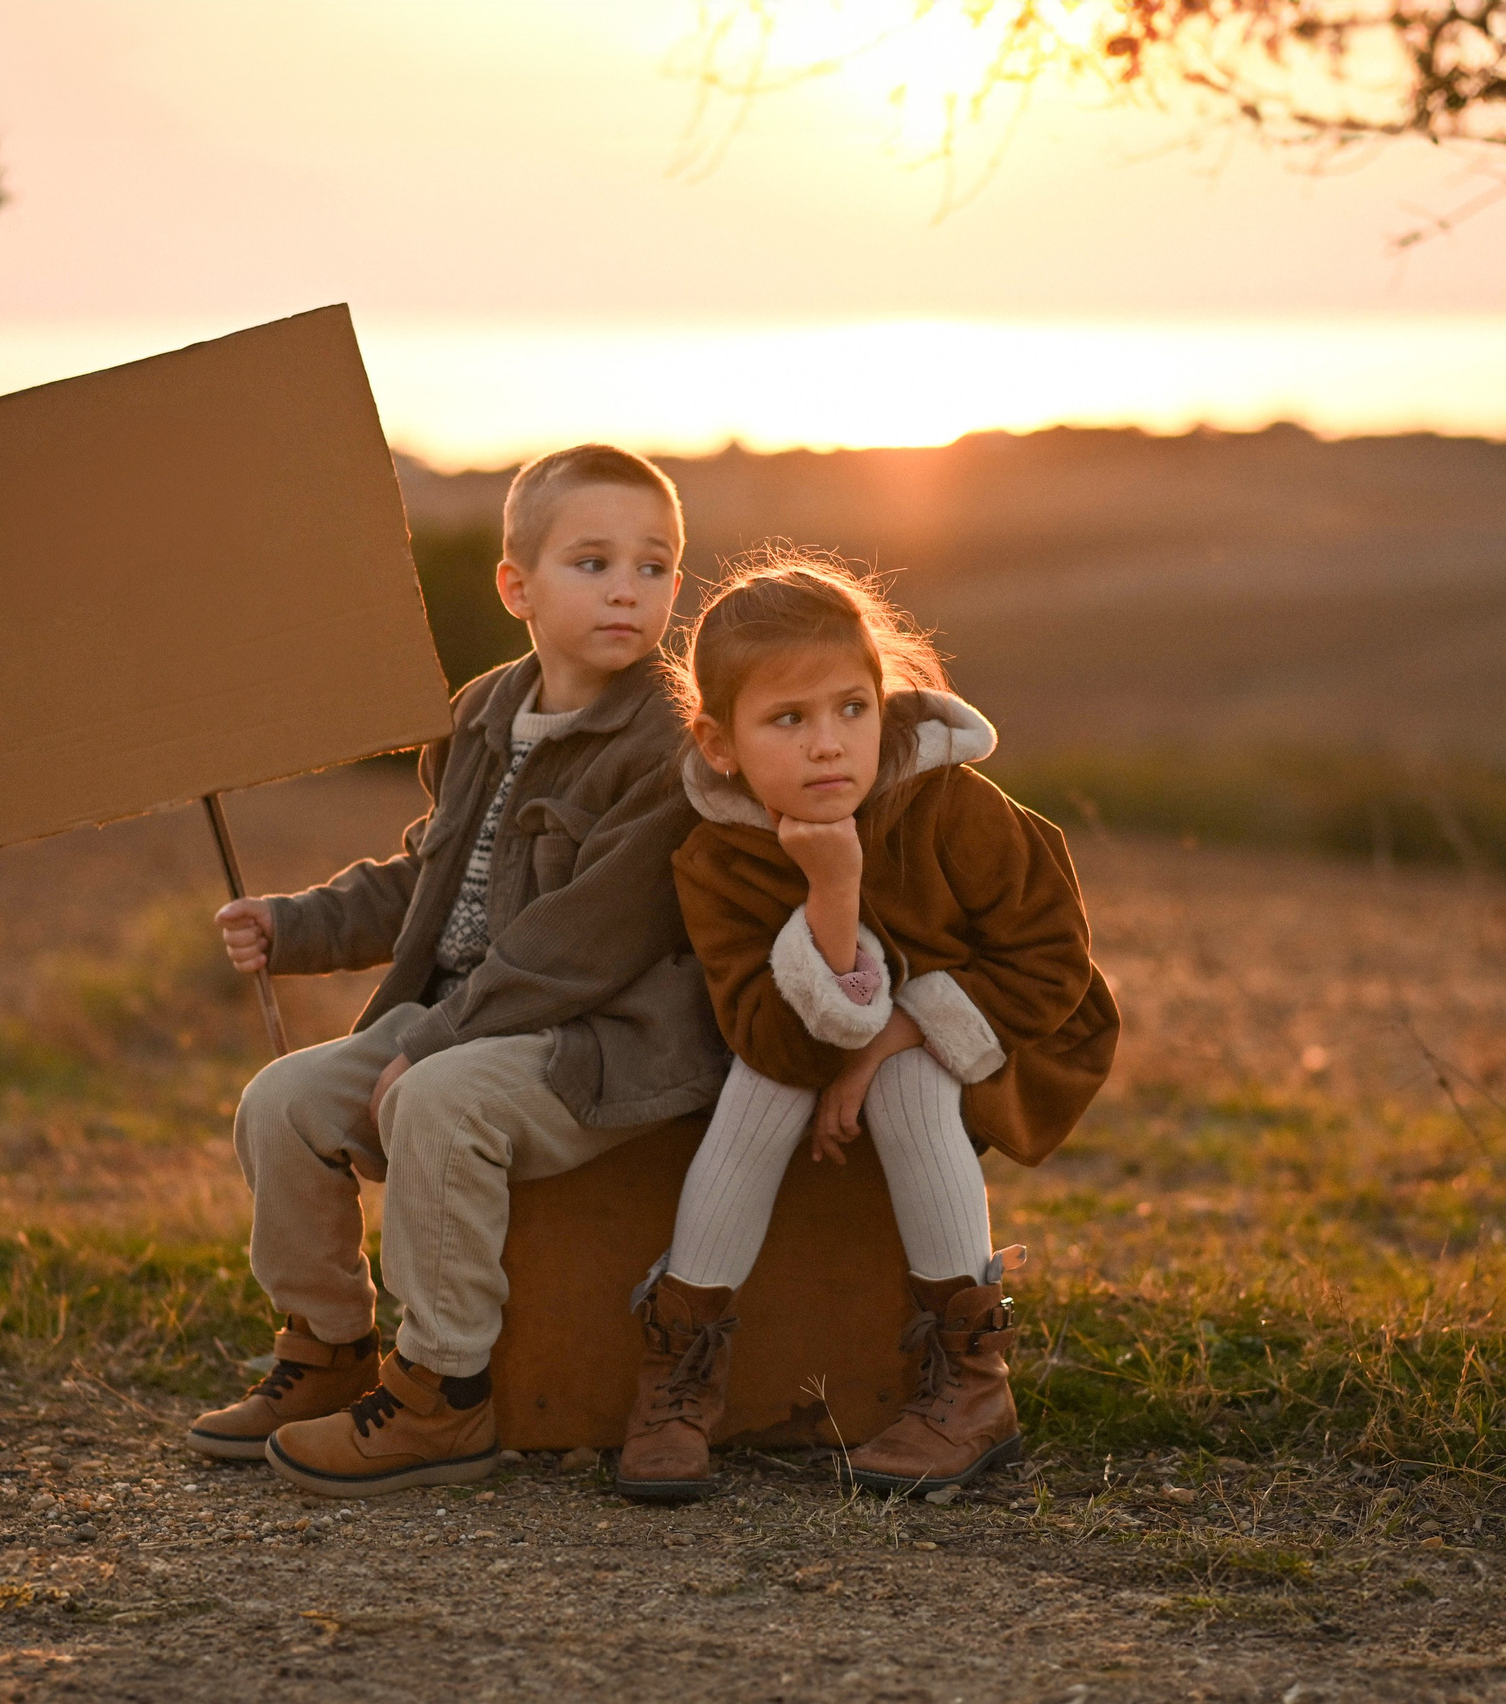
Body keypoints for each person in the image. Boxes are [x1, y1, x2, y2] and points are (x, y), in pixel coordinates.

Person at [188, 444, 727, 1497]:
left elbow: (585, 944)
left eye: (655, 566)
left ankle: (444, 1391)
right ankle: (329, 1348)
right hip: (457, 1017)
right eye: (592, 562)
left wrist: (432, 1044)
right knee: (283, 1101)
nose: (629, 587)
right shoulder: (485, 711)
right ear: (516, 587)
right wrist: (293, 927)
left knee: (437, 1102)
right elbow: (425, 878)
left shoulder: (668, 743)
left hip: (599, 1046)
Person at [616, 552, 1119, 1502]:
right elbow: (776, 1040)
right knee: (764, 1082)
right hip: (812, 1041)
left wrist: (895, 1032)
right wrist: (832, 893)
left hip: (1013, 1024)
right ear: (718, 743)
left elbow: (1051, 963)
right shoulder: (715, 860)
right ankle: (677, 1375)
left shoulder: (952, 801)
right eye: (787, 720)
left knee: (905, 1077)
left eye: (852, 707)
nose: (828, 746)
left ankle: (975, 1386)